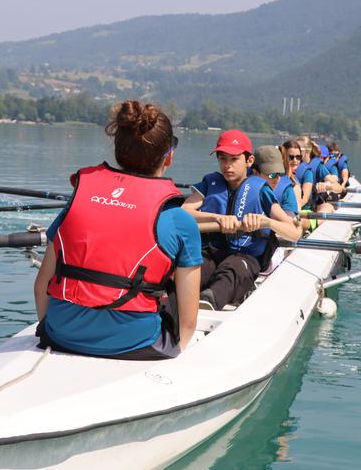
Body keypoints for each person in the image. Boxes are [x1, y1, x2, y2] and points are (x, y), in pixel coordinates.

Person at [32, 100, 201, 360]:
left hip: (60, 334)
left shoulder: (78, 201)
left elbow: (42, 283)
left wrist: (51, 330)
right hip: (137, 343)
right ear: (169, 155)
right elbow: (188, 323)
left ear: (117, 149)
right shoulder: (179, 219)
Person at [182, 130, 302, 310]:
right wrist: (218, 217)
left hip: (246, 255)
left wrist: (266, 222)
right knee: (195, 264)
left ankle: (209, 300)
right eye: (223, 158)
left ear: (249, 161)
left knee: (232, 270)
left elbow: (293, 232)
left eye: (234, 159)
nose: (227, 166)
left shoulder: (260, 190)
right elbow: (185, 211)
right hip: (212, 252)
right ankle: (174, 301)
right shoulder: (211, 184)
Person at [252, 145, 299, 216]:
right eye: (272, 174)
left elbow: (290, 221)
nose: (277, 178)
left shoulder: (287, 190)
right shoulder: (243, 186)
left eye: (279, 173)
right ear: (255, 172)